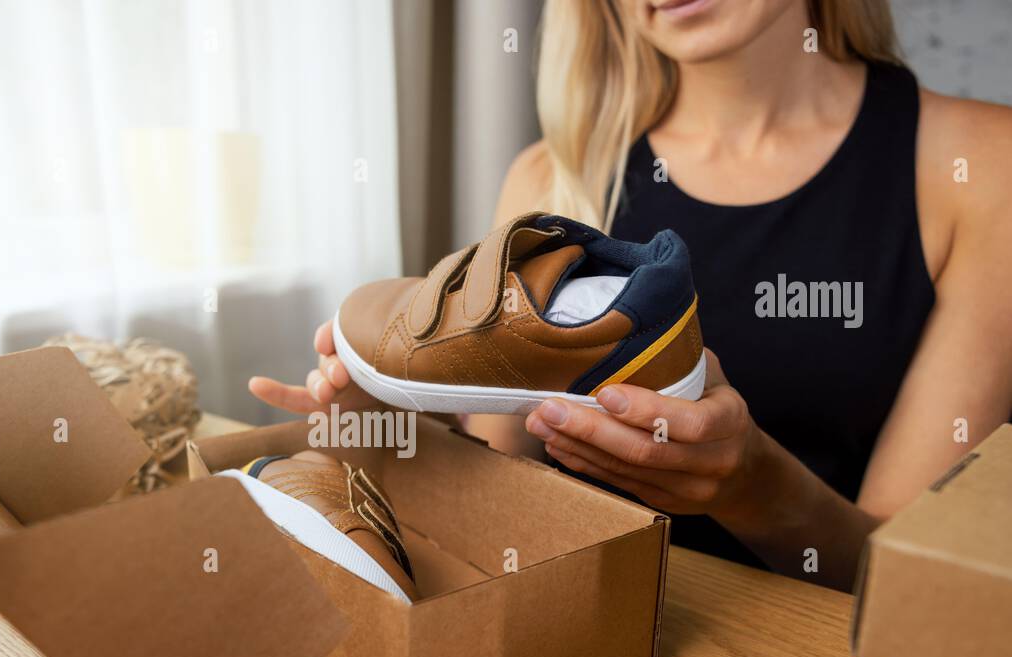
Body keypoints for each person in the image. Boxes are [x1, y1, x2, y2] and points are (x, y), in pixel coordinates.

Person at [249, 0, 1012, 591]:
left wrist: (750, 485)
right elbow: (502, 501)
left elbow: (912, 589)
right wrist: (396, 431)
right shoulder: (550, 176)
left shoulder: (983, 168)